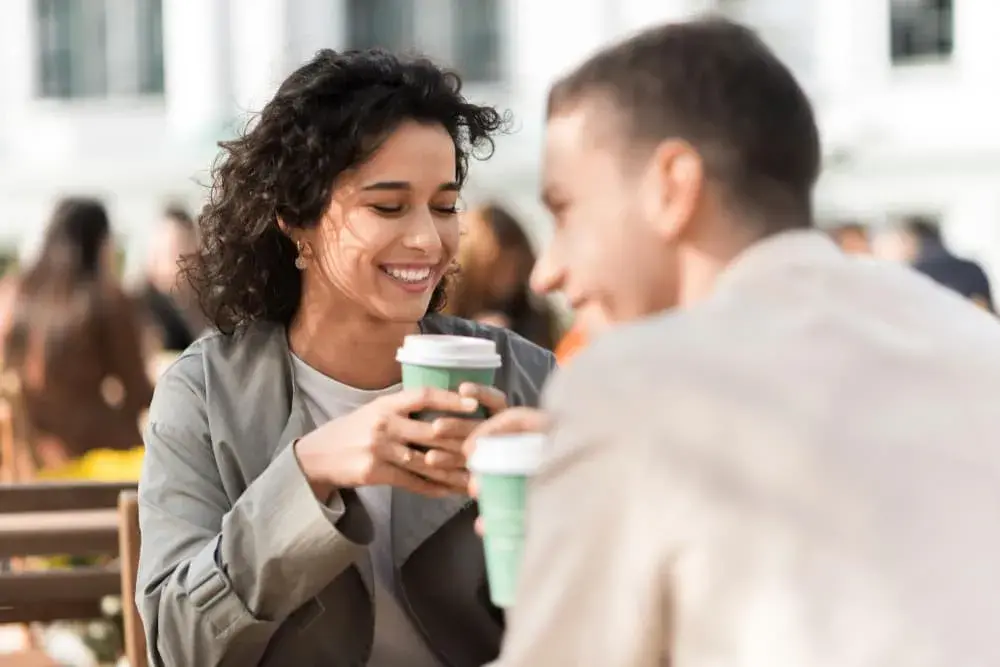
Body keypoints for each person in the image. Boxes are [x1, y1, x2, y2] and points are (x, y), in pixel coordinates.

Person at [469, 18, 1000, 666]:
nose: (546, 270)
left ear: (672, 185)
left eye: (565, 208)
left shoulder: (628, 386)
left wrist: (559, 532)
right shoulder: (975, 342)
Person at [136, 49, 554, 667]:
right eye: (388, 206)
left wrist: (545, 492)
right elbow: (180, 644)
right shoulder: (204, 396)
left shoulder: (522, 376)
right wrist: (306, 475)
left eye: (444, 206)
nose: (426, 238)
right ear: (295, 220)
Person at [0, 197, 153, 468]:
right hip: (90, 459)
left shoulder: (15, 296)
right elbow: (138, 391)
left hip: (25, 460)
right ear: (100, 242)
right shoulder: (104, 299)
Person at [446, 203, 560, 349]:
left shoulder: (533, 317)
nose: (507, 278)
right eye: (499, 266)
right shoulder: (445, 305)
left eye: (516, 267)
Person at [136, 204, 209, 351]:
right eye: (157, 250)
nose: (157, 260)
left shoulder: (207, 306)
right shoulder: (142, 306)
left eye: (171, 250)